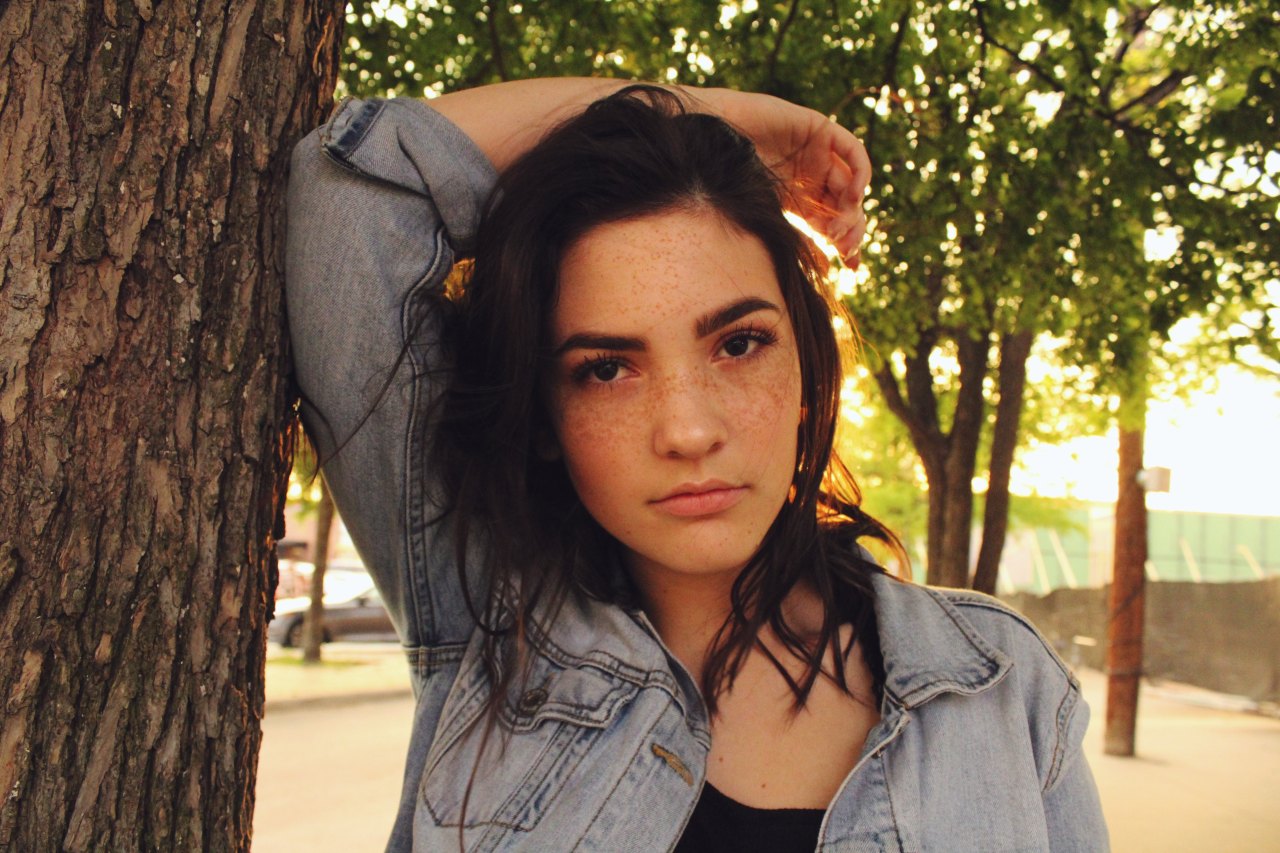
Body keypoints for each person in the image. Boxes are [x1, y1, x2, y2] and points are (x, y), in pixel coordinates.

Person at [286, 79, 1108, 852]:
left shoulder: (1001, 687)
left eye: (739, 343)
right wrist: (715, 115)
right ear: (545, 417)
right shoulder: (486, 624)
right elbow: (352, 189)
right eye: (607, 367)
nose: (687, 429)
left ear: (806, 367)